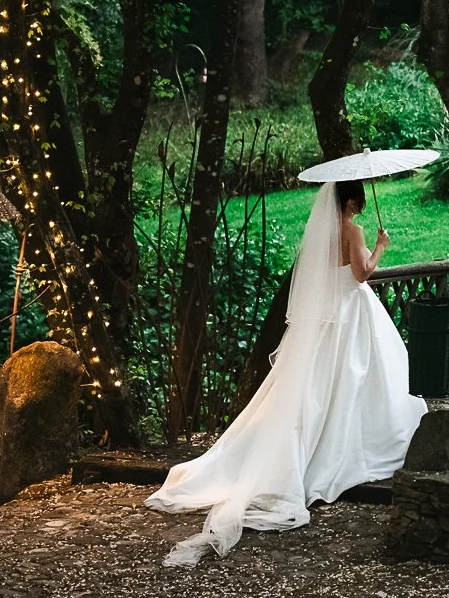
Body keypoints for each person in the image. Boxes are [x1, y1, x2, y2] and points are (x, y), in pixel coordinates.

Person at [147, 178, 426, 566]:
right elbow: (361, 275)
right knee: (354, 382)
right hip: (350, 313)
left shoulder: (324, 234)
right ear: (350, 201)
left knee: (318, 388)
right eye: (358, 200)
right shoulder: (353, 230)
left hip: (323, 320)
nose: (360, 205)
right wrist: (380, 247)